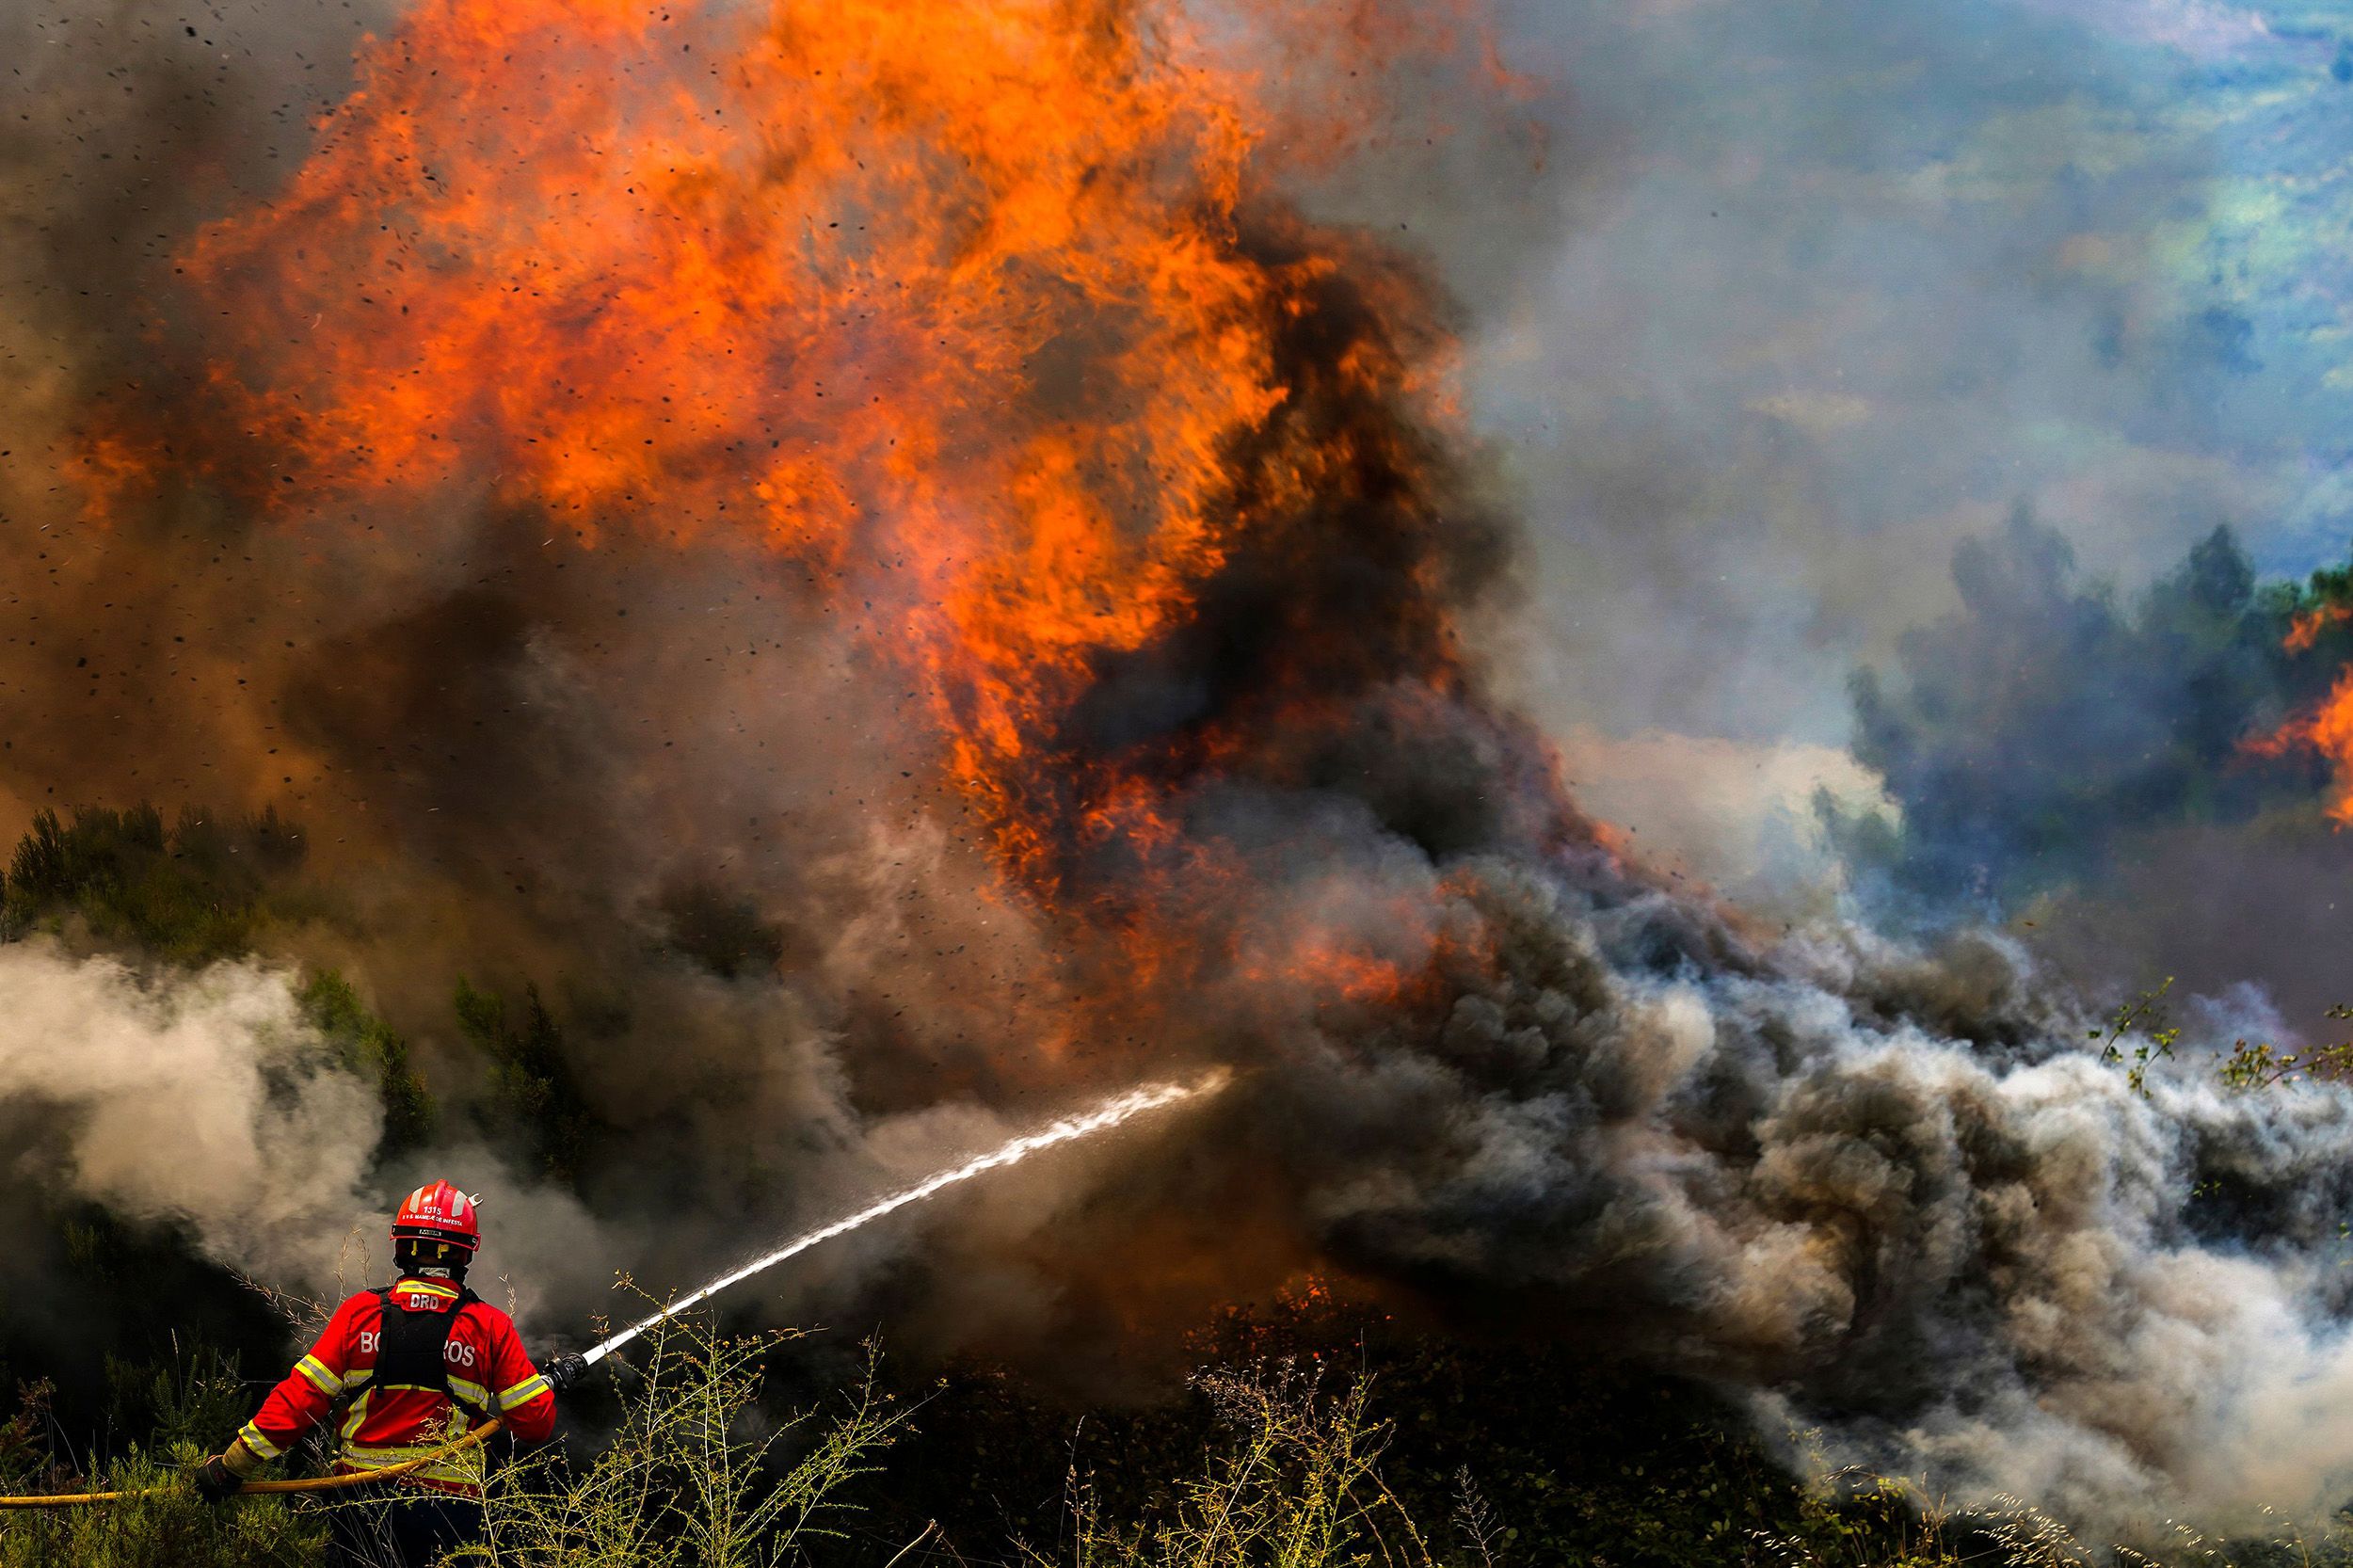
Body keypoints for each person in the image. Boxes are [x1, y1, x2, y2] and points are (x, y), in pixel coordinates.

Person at [194, 1180, 591, 1566]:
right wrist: (548, 1385)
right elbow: (535, 1425)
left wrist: (232, 1467)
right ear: (466, 1253)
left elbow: (298, 1401)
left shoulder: (359, 1314)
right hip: (449, 1512)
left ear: (401, 1245)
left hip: (361, 1503)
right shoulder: (488, 1326)